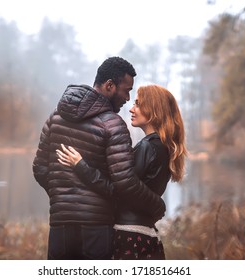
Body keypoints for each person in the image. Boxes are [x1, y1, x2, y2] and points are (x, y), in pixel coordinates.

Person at [32, 57, 166, 260]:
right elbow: (125, 184)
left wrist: (62, 195)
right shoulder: (113, 124)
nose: (128, 98)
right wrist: (157, 205)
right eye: (126, 90)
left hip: (60, 224)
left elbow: (39, 169)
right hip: (97, 227)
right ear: (110, 86)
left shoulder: (55, 117)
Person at [57, 84, 187, 259]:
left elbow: (118, 190)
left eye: (139, 104)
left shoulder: (148, 147)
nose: (132, 109)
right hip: (147, 234)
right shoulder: (162, 147)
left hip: (130, 235)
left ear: (154, 110)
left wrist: (80, 165)